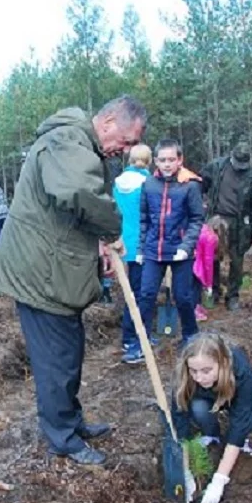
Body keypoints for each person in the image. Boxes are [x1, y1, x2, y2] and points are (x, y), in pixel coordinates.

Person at [0, 95, 147, 465]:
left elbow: (65, 211)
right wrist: (112, 230)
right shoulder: (66, 140)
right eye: (124, 141)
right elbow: (77, 193)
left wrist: (97, 245)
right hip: (40, 274)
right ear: (108, 122)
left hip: (55, 269)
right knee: (55, 359)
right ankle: (61, 436)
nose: (123, 151)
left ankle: (71, 420)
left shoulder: (79, 145)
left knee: (70, 350)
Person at [124, 139, 204, 364]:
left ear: (180, 160)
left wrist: (186, 246)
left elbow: (197, 219)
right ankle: (140, 341)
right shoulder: (149, 185)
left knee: (183, 296)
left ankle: (190, 336)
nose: (167, 164)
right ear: (155, 161)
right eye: (162, 160)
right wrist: (140, 248)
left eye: (171, 160)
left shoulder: (189, 185)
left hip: (180, 251)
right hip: (152, 250)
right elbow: (143, 219)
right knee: (146, 295)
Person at [171, 332, 252, 503]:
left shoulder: (240, 371)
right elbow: (180, 419)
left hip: (235, 395)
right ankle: (212, 435)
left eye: (206, 371)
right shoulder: (185, 375)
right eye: (194, 371)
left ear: (222, 363)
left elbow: (241, 419)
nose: (199, 378)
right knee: (198, 408)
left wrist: (219, 481)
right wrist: (185, 471)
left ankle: (238, 444)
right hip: (205, 398)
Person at [199, 142, 252, 311]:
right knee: (212, 258)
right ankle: (214, 292)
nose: (239, 167)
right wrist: (200, 202)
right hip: (216, 220)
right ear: (231, 156)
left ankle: (233, 296)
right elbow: (199, 183)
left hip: (240, 224)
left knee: (237, 261)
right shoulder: (216, 167)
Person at [113, 144, 152, 356]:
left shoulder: (118, 182)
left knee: (134, 290)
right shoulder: (148, 182)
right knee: (141, 293)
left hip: (123, 241)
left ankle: (139, 334)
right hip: (144, 243)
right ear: (149, 160)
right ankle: (131, 338)